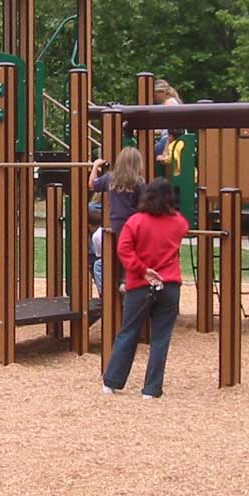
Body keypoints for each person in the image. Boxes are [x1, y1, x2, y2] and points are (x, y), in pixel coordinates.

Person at [101, 178, 190, 399]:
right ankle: (151, 389)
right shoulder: (178, 222)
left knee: (128, 332)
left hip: (141, 283)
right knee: (161, 337)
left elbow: (124, 249)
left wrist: (142, 269)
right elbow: (182, 226)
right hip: (168, 284)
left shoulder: (135, 221)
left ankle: (112, 382)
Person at [89, 146, 146, 288]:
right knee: (130, 252)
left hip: (115, 224)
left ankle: (120, 282)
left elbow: (92, 184)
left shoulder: (110, 178)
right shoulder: (139, 182)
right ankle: (126, 280)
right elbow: (144, 204)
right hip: (133, 224)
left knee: (121, 251)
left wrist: (95, 166)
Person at [89, 202, 104, 298]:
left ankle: (103, 292)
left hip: (106, 258)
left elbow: (99, 255)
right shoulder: (103, 231)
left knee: (97, 265)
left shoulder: (96, 235)